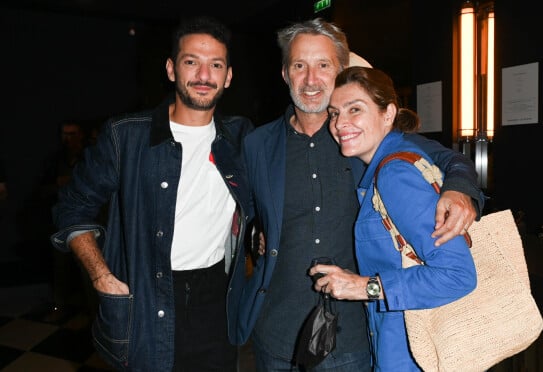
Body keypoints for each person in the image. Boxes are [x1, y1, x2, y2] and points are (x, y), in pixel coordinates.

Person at [227, 18, 484, 371]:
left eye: (323, 65)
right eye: (299, 65)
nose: (311, 78)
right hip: (276, 332)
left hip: (356, 335)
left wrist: (461, 190)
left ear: (340, 72)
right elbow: (254, 210)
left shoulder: (365, 141)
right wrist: (257, 230)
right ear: (285, 73)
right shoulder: (258, 145)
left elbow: (447, 158)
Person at [51, 16, 253, 371]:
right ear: (172, 69)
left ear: (229, 76)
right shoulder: (126, 137)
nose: (204, 75)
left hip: (216, 299)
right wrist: (101, 275)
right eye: (192, 62)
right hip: (147, 294)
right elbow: (71, 208)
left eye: (216, 65)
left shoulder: (239, 138)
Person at [311, 66, 477, 370]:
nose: (340, 124)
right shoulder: (382, 166)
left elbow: (458, 275)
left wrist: (364, 287)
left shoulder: (395, 174)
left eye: (355, 110)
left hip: (415, 355)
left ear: (388, 113)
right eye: (334, 113)